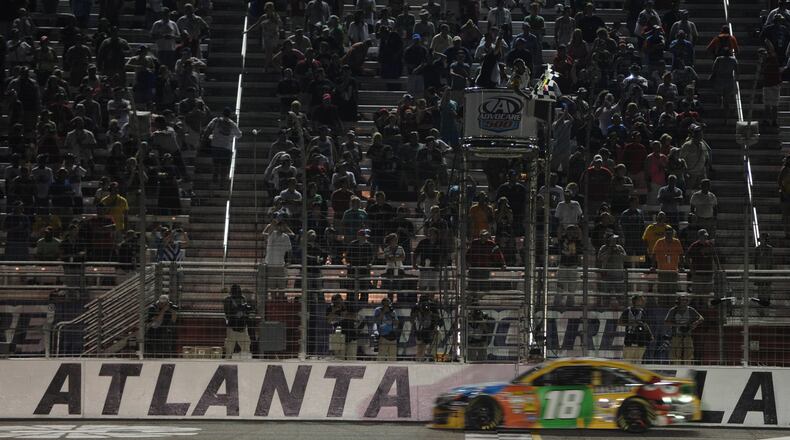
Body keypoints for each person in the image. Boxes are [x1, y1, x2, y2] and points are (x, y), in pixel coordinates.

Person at [665, 293, 703, 364]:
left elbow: (701, 318)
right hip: (676, 335)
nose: (685, 301)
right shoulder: (673, 310)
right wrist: (677, 325)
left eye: (686, 300)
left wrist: (695, 323)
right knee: (675, 356)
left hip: (687, 336)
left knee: (688, 355)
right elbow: (666, 322)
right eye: (683, 300)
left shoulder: (690, 310)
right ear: (678, 301)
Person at [262, 215, 292, 299]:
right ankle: (274, 306)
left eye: (283, 225)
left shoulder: (286, 237)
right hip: (270, 265)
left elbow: (289, 250)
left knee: (282, 289)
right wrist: (275, 222)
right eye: (280, 225)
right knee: (272, 289)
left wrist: (289, 261)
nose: (281, 227)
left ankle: (281, 306)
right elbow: (264, 233)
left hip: (280, 266)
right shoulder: (271, 234)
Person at [618, 294, 653, 364]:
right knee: (628, 361)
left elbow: (645, 324)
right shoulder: (627, 311)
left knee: (638, 361)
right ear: (635, 301)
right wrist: (631, 324)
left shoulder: (642, 311)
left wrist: (650, 335)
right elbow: (620, 322)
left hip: (640, 340)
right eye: (641, 300)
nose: (643, 301)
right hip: (629, 340)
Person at [652, 227, 684, 301]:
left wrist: (681, 266)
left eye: (670, 233)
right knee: (662, 289)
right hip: (662, 270)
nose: (669, 235)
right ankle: (662, 305)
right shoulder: (659, 242)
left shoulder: (676, 242)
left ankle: (672, 304)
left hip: (673, 270)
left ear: (673, 234)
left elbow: (681, 255)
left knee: (672, 289)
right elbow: (654, 254)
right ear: (664, 233)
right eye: (667, 233)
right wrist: (653, 266)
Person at [223, 284, 254, 359]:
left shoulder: (242, 298)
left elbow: (246, 309)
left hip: (242, 327)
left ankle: (246, 360)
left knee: (246, 347)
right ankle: (227, 360)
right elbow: (228, 313)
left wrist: (245, 310)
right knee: (229, 349)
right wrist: (238, 312)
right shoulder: (228, 300)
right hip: (232, 327)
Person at [411, 293, 442, 361]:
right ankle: (419, 361)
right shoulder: (416, 307)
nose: (424, 305)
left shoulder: (432, 306)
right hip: (420, 331)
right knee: (420, 349)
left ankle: (431, 357)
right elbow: (412, 320)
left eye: (426, 302)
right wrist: (419, 311)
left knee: (438, 336)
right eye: (422, 302)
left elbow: (438, 319)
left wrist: (430, 313)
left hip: (431, 330)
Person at [686, 229, 716, 295]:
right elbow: (687, 257)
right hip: (698, 273)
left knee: (707, 293)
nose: (705, 238)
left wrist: (715, 269)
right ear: (699, 236)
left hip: (708, 273)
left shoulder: (710, 244)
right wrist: (691, 269)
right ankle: (696, 305)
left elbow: (715, 257)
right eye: (703, 236)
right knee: (697, 293)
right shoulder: (694, 246)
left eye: (706, 236)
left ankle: (705, 305)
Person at [780, 156, 790, 238]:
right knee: (785, 215)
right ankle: (786, 232)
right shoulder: (784, 170)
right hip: (785, 195)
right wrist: (784, 192)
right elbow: (780, 182)